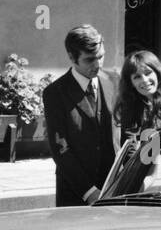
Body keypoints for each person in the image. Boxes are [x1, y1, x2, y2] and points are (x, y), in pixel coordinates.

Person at [42, 25, 119, 206]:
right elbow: (60, 148)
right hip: (75, 193)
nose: (98, 64)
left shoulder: (115, 82)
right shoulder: (55, 93)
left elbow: (127, 132)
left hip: (114, 189)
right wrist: (89, 192)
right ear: (71, 57)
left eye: (101, 57)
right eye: (90, 60)